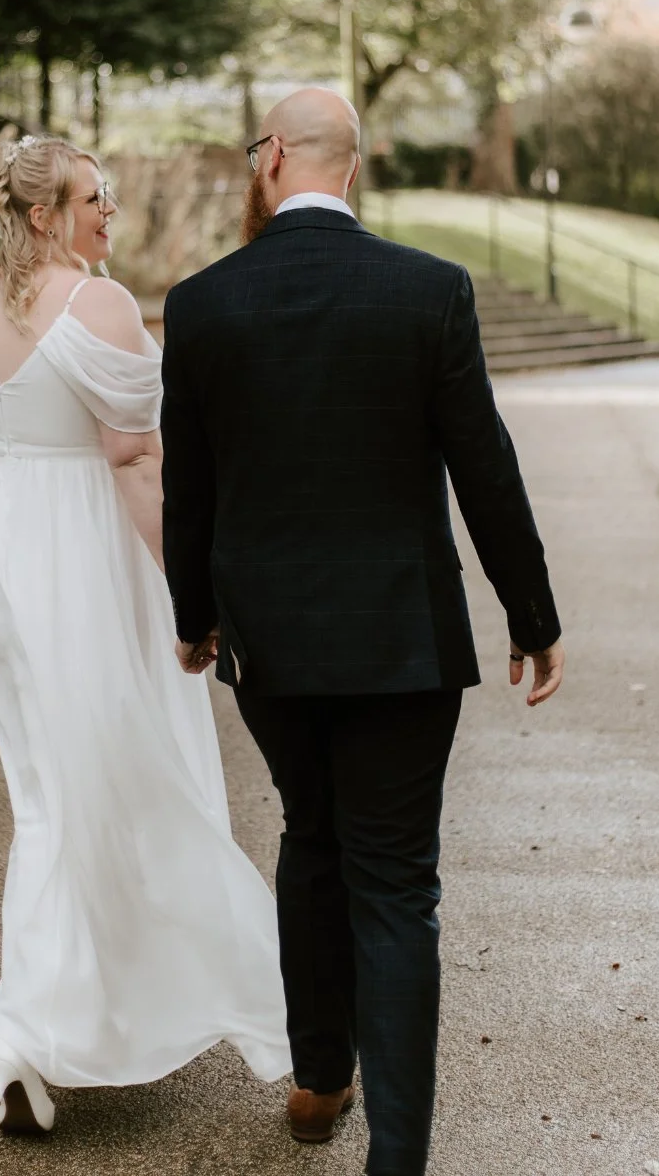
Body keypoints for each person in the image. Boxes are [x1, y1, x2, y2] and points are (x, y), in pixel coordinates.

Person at [160, 89, 565, 1176]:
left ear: (276, 157)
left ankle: (318, 1078)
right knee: (396, 881)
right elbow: (485, 465)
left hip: (274, 647)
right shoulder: (426, 291)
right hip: (402, 643)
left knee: (311, 839)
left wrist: (193, 617)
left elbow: (188, 492)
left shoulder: (201, 304)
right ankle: (400, 1152)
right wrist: (532, 616)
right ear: (353, 167)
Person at [0, 134, 290, 1135]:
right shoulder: (101, 305)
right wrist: (190, 591)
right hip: (77, 575)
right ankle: (51, 1031)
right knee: (123, 779)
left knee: (52, 790)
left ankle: (59, 1023)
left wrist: (7, 508)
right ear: (46, 217)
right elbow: (131, 460)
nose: (110, 213)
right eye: (94, 198)